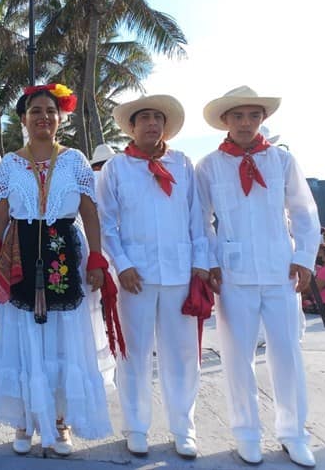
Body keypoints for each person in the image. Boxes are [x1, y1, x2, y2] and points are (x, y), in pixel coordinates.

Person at [0, 84, 119, 456]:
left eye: (50, 111)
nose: (43, 116)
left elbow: (90, 211)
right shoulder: (10, 163)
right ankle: (26, 420)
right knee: (24, 335)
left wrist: (97, 258)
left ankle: (60, 422)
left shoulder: (74, 159)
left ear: (60, 119)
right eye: (35, 111)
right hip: (21, 251)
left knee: (62, 338)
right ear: (24, 119)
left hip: (64, 250)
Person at [196, 86, 321, 467]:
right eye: (238, 116)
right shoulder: (209, 166)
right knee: (237, 358)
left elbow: (304, 211)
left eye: (253, 116)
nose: (246, 123)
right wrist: (211, 260)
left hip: (281, 271)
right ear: (225, 121)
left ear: (262, 119)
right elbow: (200, 220)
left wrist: (303, 257)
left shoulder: (282, 161)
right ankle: (246, 433)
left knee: (287, 354)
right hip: (233, 275)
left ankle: (293, 433)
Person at [96, 94, 207, 460]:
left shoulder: (183, 164)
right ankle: (136, 426)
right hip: (136, 277)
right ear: (131, 127)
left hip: (178, 272)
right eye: (143, 118)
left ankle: (183, 428)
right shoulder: (116, 168)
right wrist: (122, 263)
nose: (151, 124)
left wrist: (200, 263)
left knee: (182, 354)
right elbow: (106, 222)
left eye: (157, 118)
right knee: (135, 353)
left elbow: (197, 218)